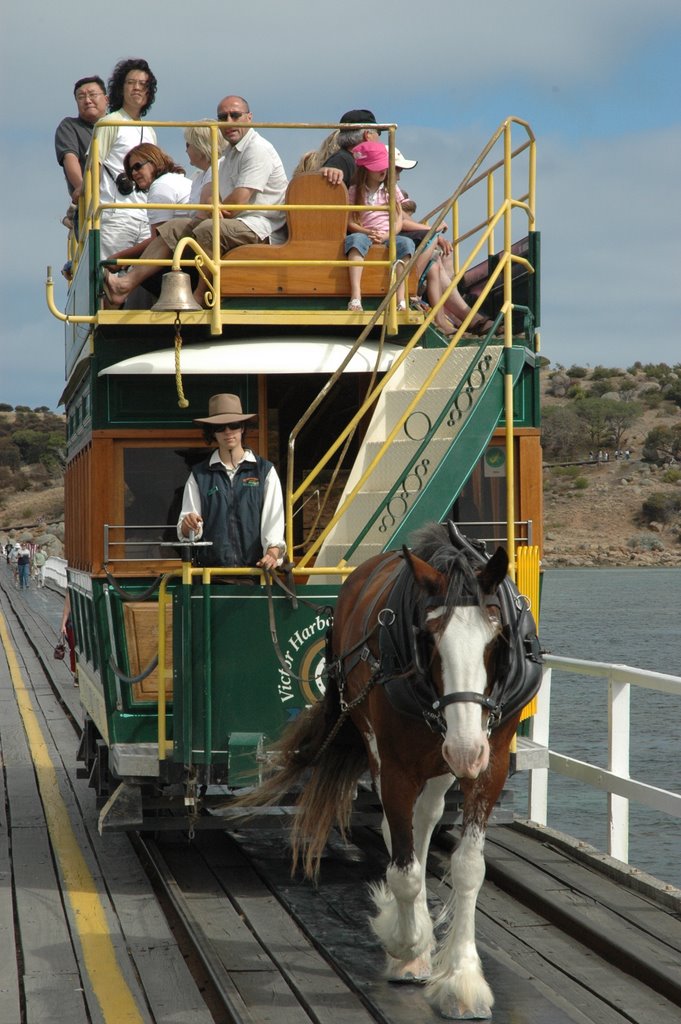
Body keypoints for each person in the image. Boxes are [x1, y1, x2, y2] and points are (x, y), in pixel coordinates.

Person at [103, 95, 288, 308]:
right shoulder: (228, 156)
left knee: (209, 229)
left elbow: (240, 200)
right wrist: (212, 206)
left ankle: (200, 298)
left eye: (235, 115)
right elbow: (214, 197)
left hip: (260, 227)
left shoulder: (257, 149)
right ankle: (124, 285)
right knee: (172, 228)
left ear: (249, 117)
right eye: (222, 117)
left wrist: (214, 210)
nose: (228, 121)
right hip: (236, 222)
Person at [177, 394, 285, 572]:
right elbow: (187, 530)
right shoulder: (198, 475)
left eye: (234, 425)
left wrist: (272, 553)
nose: (228, 431)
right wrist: (189, 525)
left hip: (255, 574)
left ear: (242, 428)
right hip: (210, 576)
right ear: (212, 431)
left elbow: (274, 523)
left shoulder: (265, 471)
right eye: (220, 427)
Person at [94, 58, 158, 259]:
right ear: (121, 89)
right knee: (110, 276)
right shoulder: (109, 122)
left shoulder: (150, 131)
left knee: (141, 284)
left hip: (145, 216)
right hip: (116, 215)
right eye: (131, 83)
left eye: (143, 84)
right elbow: (94, 165)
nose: (137, 88)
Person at [344, 141, 414, 313]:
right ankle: (356, 297)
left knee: (405, 244)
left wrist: (387, 235)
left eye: (385, 166)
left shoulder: (392, 189)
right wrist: (367, 232)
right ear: (365, 169)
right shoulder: (354, 191)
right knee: (354, 242)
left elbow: (398, 219)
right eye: (378, 167)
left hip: (387, 234)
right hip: (365, 232)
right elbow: (349, 222)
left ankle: (401, 300)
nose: (383, 170)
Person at [54, 75, 108, 227]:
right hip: (92, 206)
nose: (87, 100)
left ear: (106, 99)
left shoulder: (118, 125)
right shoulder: (69, 126)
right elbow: (70, 158)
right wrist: (83, 189)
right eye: (81, 97)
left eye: (92, 94)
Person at [321, 109, 380, 187]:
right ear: (367, 135)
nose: (379, 139)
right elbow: (320, 184)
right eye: (377, 133)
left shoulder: (346, 159)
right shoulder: (341, 160)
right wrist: (329, 171)